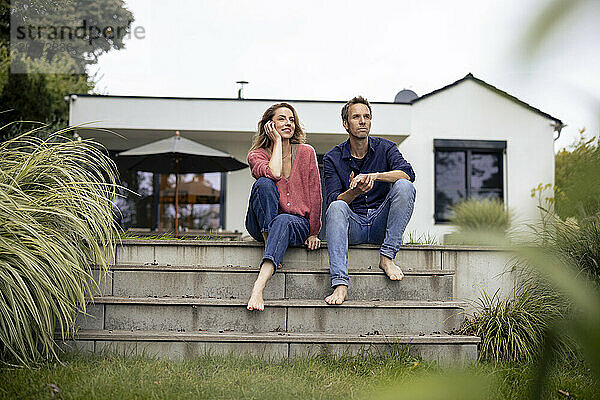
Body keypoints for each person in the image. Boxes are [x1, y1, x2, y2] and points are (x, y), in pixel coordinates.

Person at [323, 96, 416, 305]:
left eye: (366, 116)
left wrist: (376, 175)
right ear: (346, 124)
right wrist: (354, 191)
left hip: (380, 224)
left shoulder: (386, 148)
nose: (362, 121)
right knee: (337, 206)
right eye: (356, 117)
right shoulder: (332, 158)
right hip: (353, 225)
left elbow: (407, 173)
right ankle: (340, 285)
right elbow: (333, 200)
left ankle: (387, 257)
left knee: (404, 185)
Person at [245, 103, 322, 311]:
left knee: (283, 220)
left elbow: (315, 193)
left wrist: (314, 232)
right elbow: (274, 173)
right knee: (263, 183)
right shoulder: (256, 155)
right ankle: (270, 240)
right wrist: (277, 142)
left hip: (295, 223)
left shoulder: (306, 152)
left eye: (291, 119)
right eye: (282, 119)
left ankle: (257, 290)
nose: (288, 123)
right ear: (269, 124)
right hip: (260, 223)